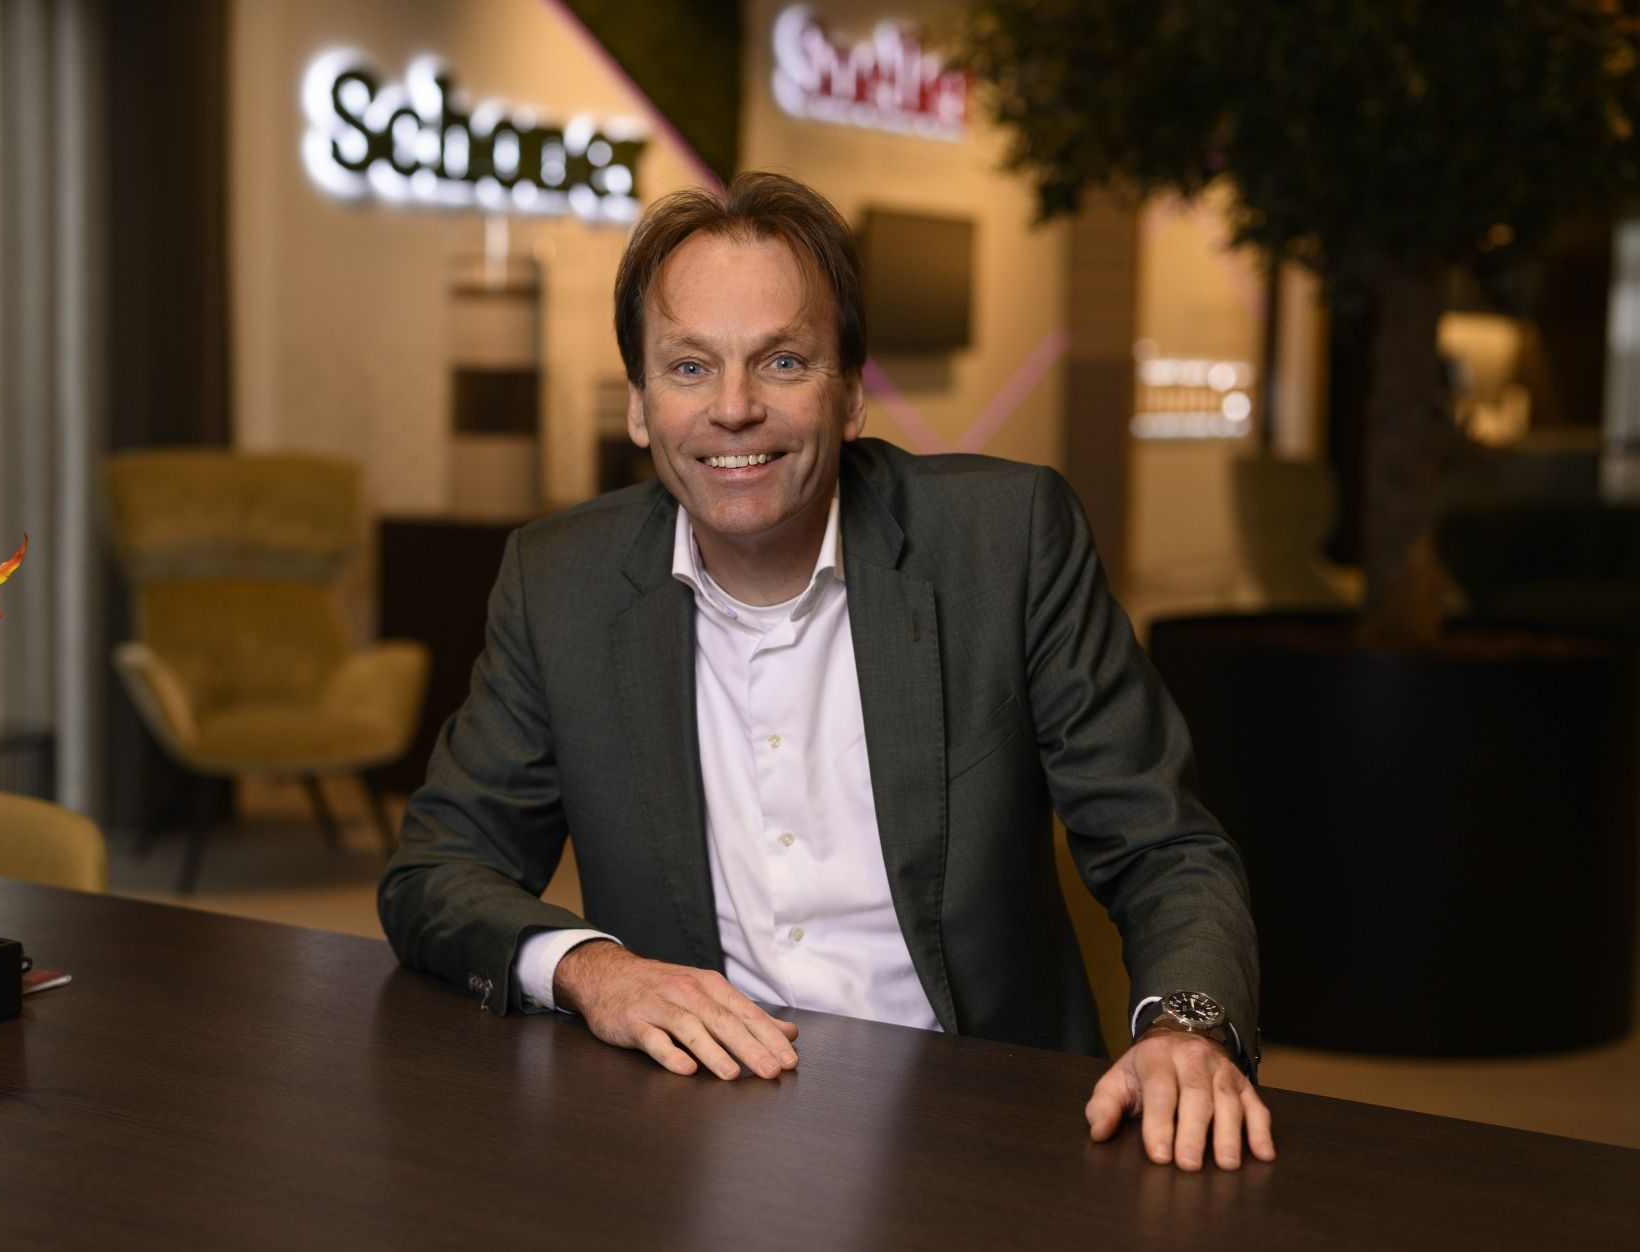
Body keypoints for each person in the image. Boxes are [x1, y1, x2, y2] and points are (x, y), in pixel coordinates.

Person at [380, 172, 1274, 1172]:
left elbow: (1164, 846)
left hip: (986, 1134)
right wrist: (598, 969)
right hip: (687, 1134)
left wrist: (1188, 1028)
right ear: (638, 405)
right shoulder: (561, 583)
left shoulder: (1008, 541)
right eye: (688, 367)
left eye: (782, 361)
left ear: (849, 393)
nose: (733, 409)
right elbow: (436, 871)